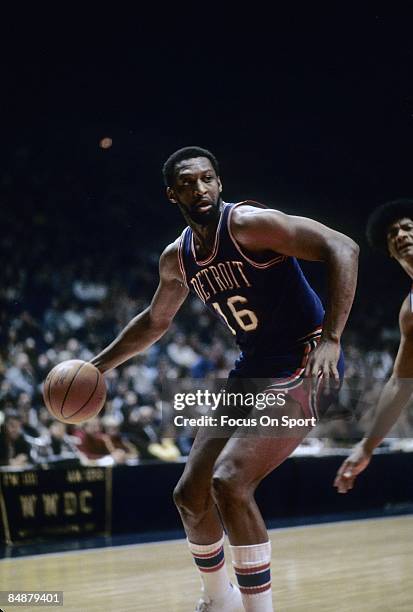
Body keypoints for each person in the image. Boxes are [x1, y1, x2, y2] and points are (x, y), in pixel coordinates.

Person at [91, 146, 359, 612]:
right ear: (171, 194)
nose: (201, 189)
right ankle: (220, 601)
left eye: (208, 179)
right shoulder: (177, 259)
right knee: (189, 495)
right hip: (252, 369)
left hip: (308, 362)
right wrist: (96, 368)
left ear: (219, 183)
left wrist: (333, 338)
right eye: (189, 183)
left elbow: (343, 247)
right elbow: (155, 322)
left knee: (230, 481)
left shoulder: (250, 225)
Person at [335, 199, 413, 494]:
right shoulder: (409, 312)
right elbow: (400, 384)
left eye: (408, 228)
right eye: (393, 234)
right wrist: (366, 446)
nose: (401, 235)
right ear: (390, 251)